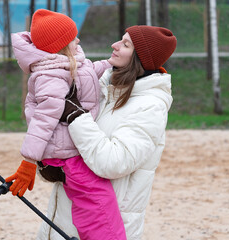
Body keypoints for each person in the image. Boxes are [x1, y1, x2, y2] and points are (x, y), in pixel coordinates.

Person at [36, 25, 177, 240]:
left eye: (126, 44)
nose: (115, 45)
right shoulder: (103, 88)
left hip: (104, 228)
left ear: (140, 59)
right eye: (120, 39)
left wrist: (75, 116)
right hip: (65, 221)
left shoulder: (150, 107)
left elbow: (113, 162)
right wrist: (51, 160)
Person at [5, 9, 127, 240]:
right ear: (60, 46)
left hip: (71, 145)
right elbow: (43, 120)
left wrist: (113, 65)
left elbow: (89, 70)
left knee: (94, 198)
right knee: (97, 198)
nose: (78, 41)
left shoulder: (69, 62)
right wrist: (29, 161)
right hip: (64, 154)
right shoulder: (50, 76)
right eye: (73, 38)